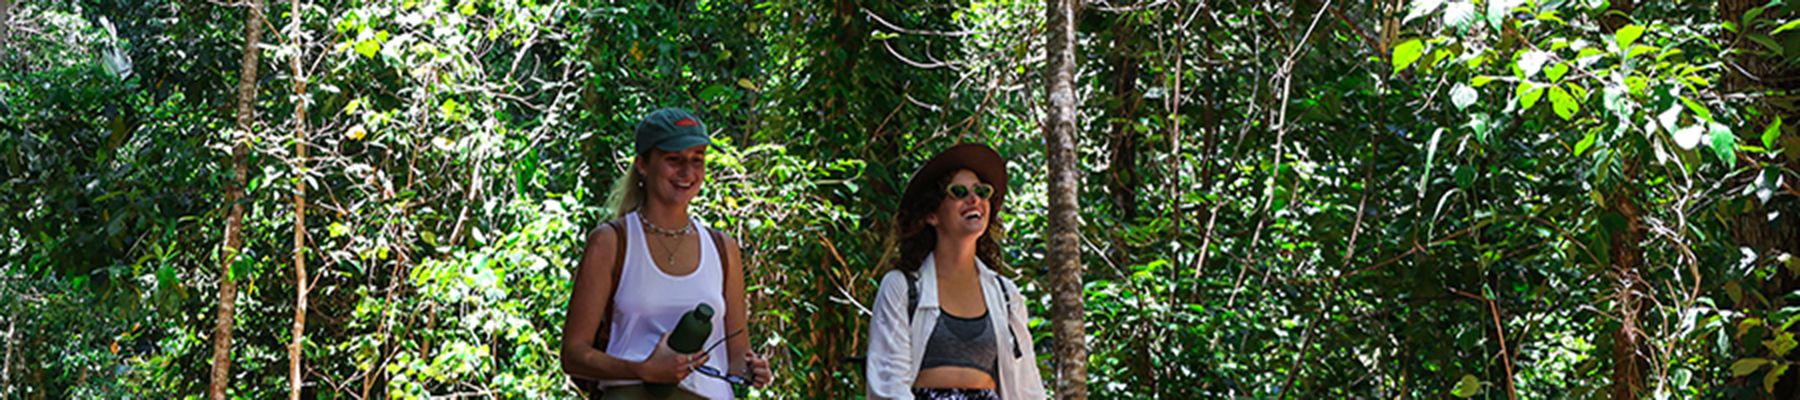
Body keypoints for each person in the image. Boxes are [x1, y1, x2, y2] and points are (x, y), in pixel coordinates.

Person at [561, 108, 772, 399]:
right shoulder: (612, 242)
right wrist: (643, 370)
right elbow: (573, 355)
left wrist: (752, 370)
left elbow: (736, 356)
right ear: (643, 165)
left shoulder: (723, 248)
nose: (687, 172)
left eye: (697, 160)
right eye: (674, 160)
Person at [865, 143, 1048, 400]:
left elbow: (1027, 387)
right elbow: (888, 384)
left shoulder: (1006, 295)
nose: (974, 200)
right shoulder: (902, 287)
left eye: (981, 192)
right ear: (931, 214)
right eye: (959, 192)